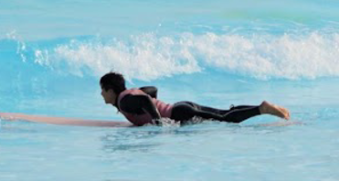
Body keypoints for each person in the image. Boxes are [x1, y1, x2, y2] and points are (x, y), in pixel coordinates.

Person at [99, 71, 290, 126]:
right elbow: (151, 91)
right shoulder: (131, 93)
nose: (101, 95)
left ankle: (261, 109)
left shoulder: (124, 101)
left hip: (180, 113)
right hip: (182, 106)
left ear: (111, 90)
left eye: (103, 90)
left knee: (226, 119)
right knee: (225, 113)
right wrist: (155, 109)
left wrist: (158, 122)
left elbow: (145, 101)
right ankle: (261, 107)